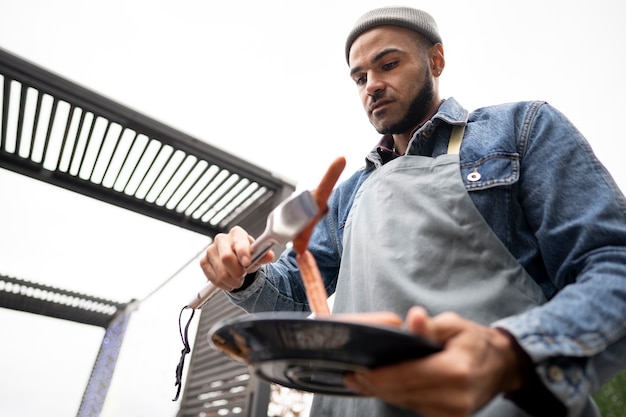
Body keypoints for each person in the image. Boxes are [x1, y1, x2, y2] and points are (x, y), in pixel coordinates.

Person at [199, 6, 626, 417]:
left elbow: (613, 265)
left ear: (436, 60)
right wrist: (246, 273)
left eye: (388, 65)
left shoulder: (521, 129)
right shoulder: (348, 195)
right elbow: (291, 292)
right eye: (360, 77)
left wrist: (512, 353)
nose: (372, 85)